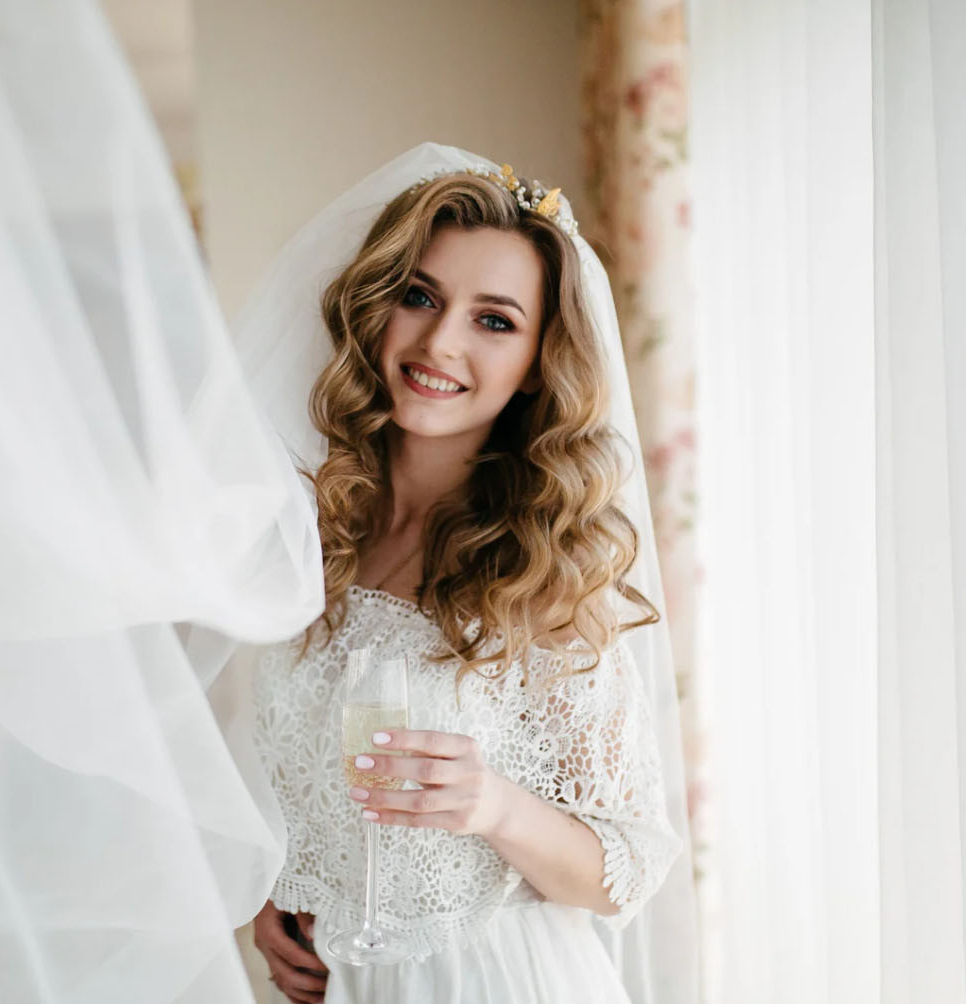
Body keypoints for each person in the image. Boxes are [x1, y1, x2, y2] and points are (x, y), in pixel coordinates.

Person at [248, 159, 683, 1004]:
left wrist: (492, 804)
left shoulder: (547, 571)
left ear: (536, 362)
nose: (440, 343)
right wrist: (284, 891)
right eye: (419, 296)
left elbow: (627, 869)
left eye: (494, 320)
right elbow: (310, 787)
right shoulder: (319, 534)